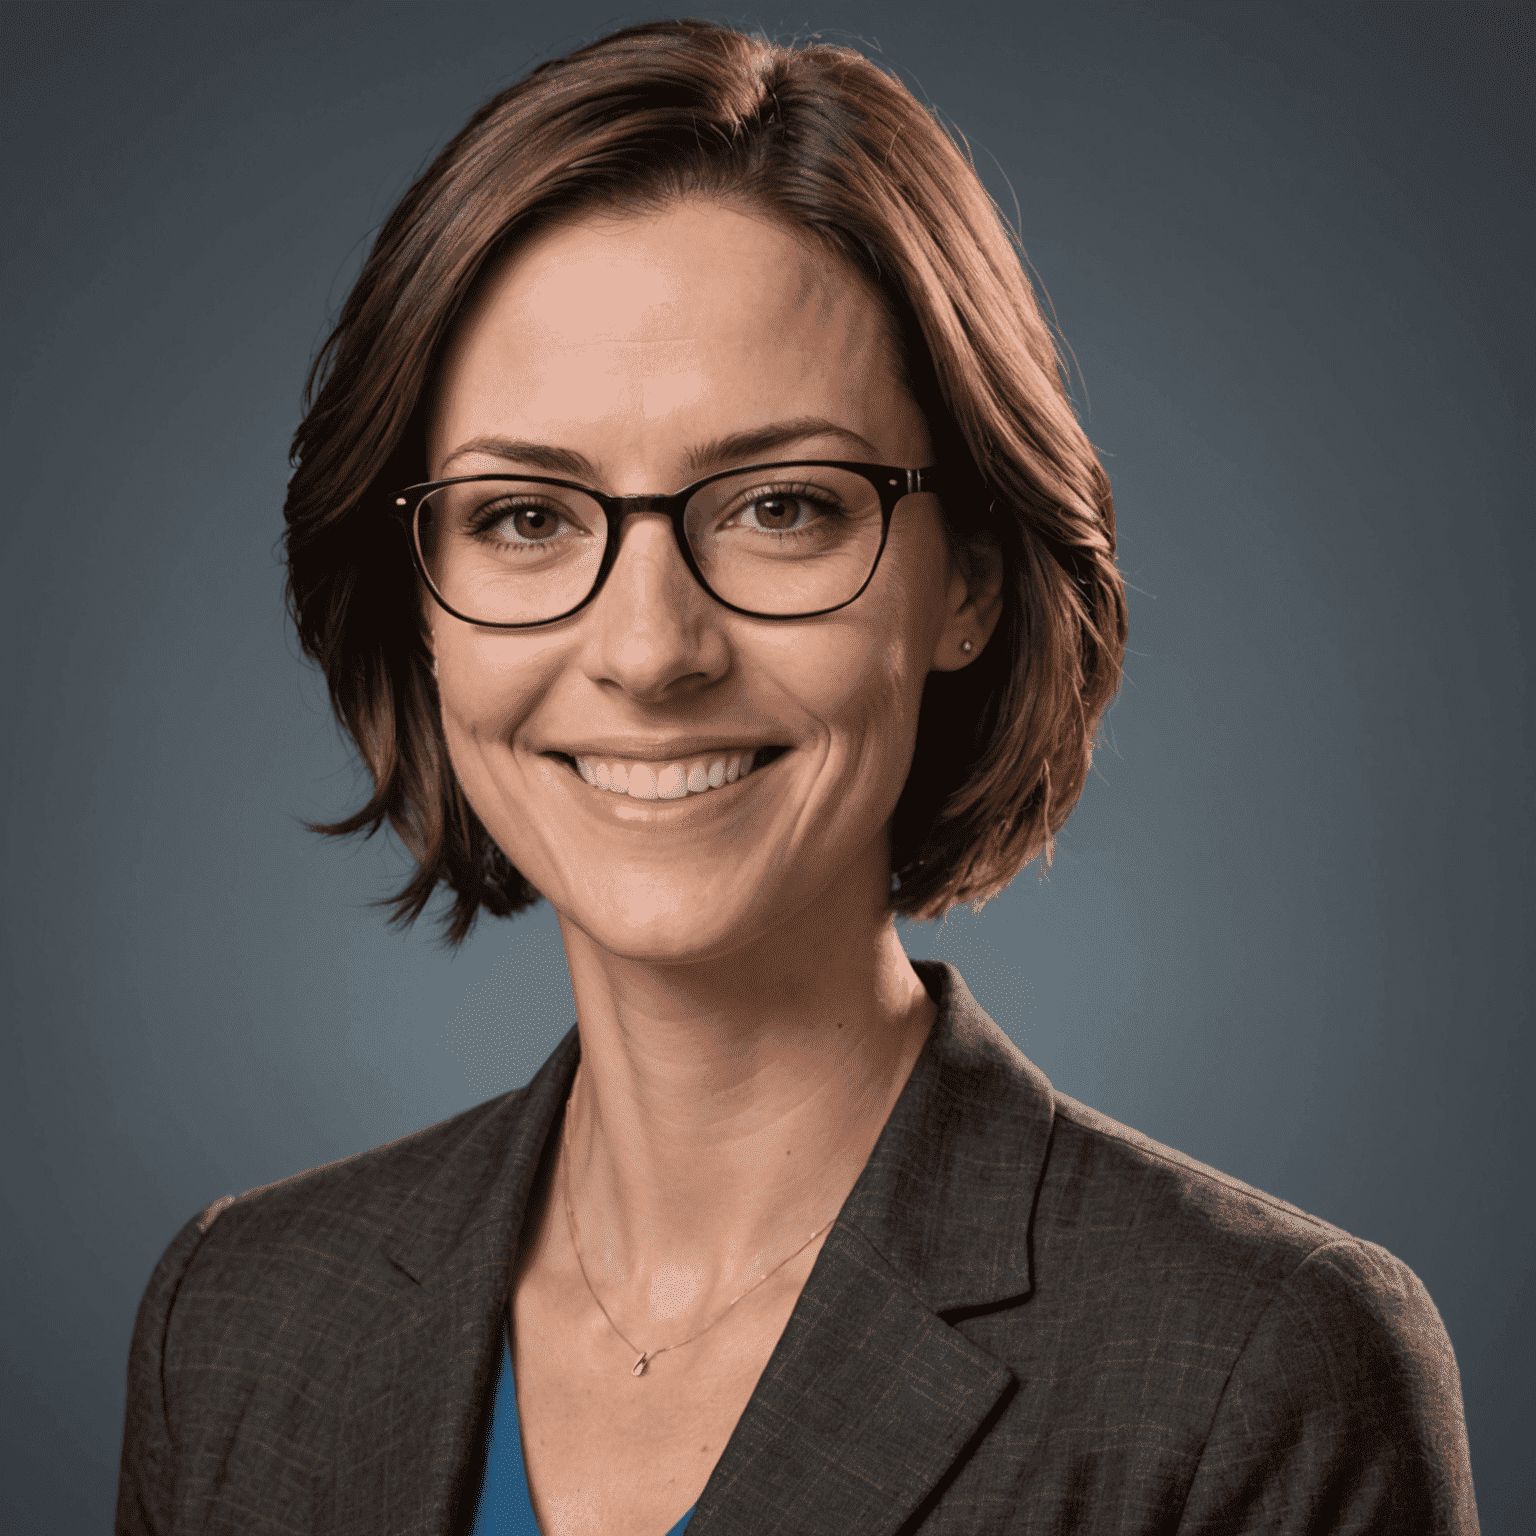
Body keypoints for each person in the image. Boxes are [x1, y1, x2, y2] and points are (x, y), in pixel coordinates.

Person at [115, 19, 1478, 1535]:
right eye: (523, 517)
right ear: (418, 597)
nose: (647, 649)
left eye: (778, 507)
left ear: (966, 577)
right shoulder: (235, 1325)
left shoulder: (1257, 1374)